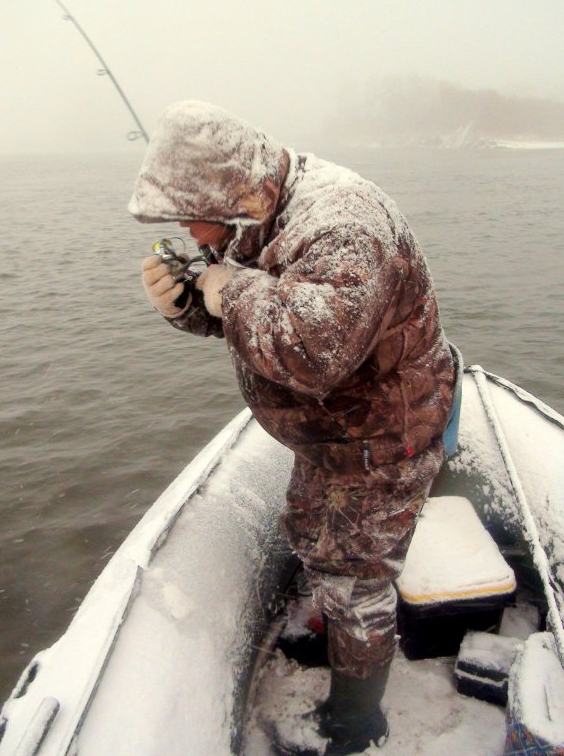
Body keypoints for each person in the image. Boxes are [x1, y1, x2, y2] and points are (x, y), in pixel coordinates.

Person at [129, 100, 455, 755]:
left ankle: (358, 721)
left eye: (195, 216)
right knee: (313, 534)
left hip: (380, 441)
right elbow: (254, 319)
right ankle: (336, 633)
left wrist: (232, 292)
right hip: (330, 437)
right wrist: (190, 306)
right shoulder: (257, 211)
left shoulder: (343, 227)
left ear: (238, 190)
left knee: (358, 579)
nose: (193, 235)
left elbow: (309, 350)